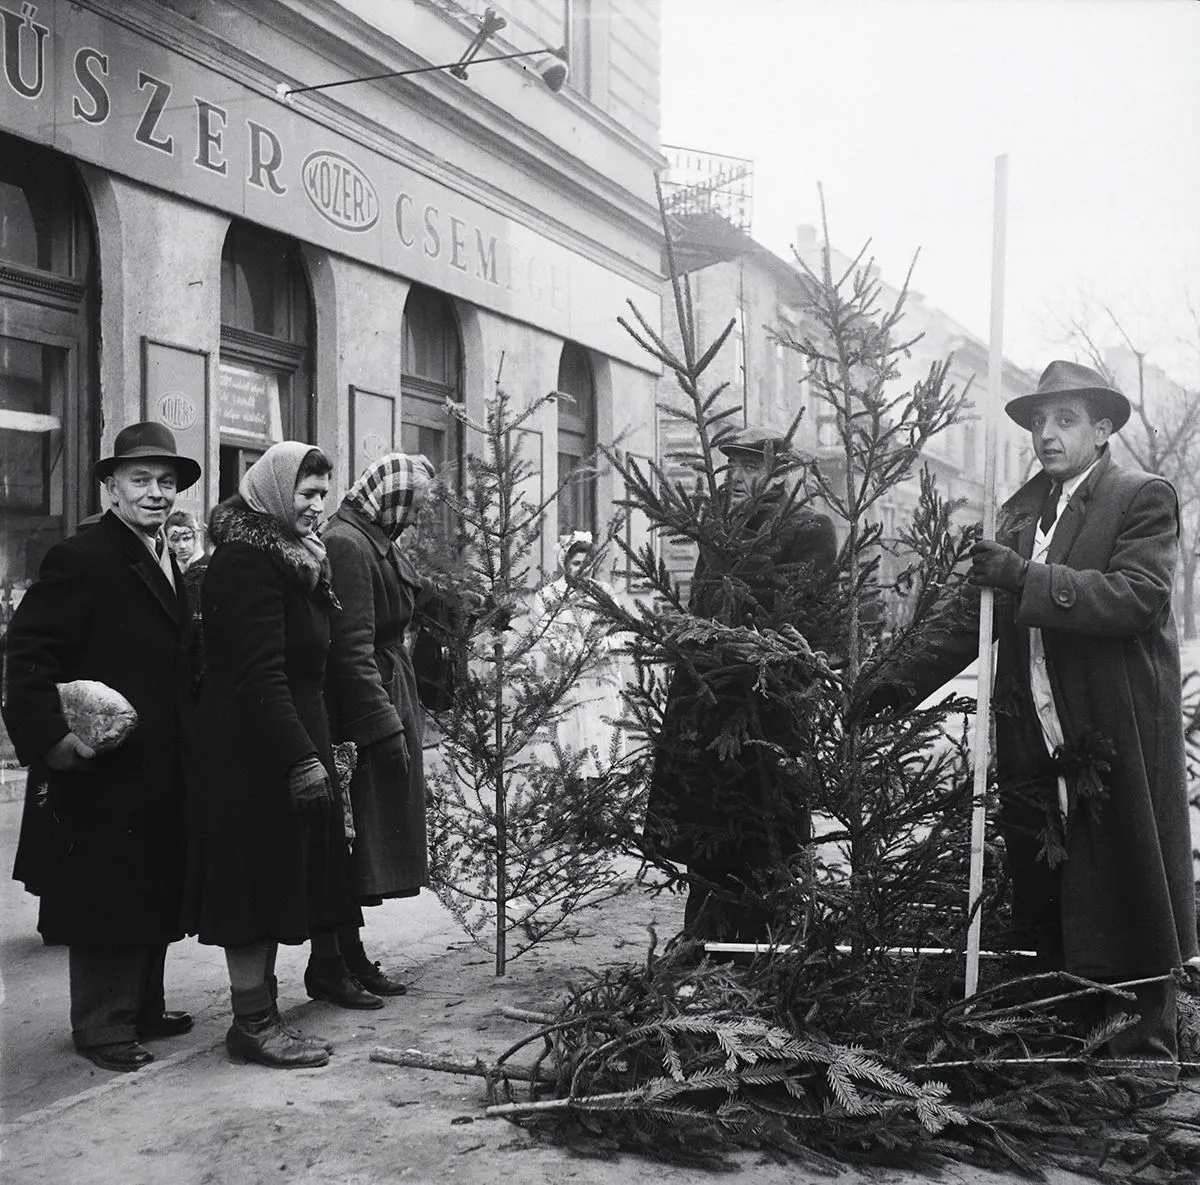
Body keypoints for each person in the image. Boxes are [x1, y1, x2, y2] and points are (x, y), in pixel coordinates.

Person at [871, 360, 1198, 1070]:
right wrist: (888, 688)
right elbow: (970, 618)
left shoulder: (1142, 498)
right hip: (1032, 733)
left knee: (1126, 878)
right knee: (1049, 881)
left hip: (1112, 732)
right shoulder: (1020, 516)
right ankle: (1067, 1038)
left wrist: (1025, 578)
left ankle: (1141, 1054)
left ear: (1104, 429)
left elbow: (1135, 596)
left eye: (1066, 419)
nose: (1047, 435)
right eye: (1038, 422)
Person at [2, 422, 201, 1072]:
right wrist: (51, 741)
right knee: (105, 893)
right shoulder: (82, 556)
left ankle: (143, 1005)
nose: (155, 493)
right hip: (103, 764)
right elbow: (29, 654)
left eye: (166, 482)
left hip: (157, 760)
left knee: (151, 885)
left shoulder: (164, 554)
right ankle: (101, 1024)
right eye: (140, 480)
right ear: (111, 486)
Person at [184, 441, 365, 1069]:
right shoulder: (247, 564)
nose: (317, 506)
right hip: (251, 751)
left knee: (274, 882)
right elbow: (258, 675)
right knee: (252, 889)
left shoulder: (295, 559)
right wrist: (300, 757)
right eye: (305, 493)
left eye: (323, 493)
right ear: (271, 491)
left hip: (283, 739)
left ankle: (262, 1015)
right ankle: (254, 1024)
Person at [644, 427, 838, 943]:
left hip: (764, 713)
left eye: (752, 467)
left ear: (779, 475)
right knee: (706, 831)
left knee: (762, 840)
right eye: (733, 465)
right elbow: (702, 610)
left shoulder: (809, 529)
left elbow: (806, 628)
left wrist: (748, 652)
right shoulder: (722, 529)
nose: (736, 477)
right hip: (708, 706)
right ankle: (703, 940)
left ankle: (761, 948)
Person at [321, 452, 439, 998]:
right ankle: (334, 964)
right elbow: (352, 650)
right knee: (351, 841)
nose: (414, 520)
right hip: (364, 710)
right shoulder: (348, 544)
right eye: (412, 508)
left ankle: (349, 957)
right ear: (390, 499)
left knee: (359, 843)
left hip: (387, 692)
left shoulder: (366, 536)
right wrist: (384, 728)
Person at [529, 531, 625, 787]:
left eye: (588, 564)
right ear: (565, 564)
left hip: (601, 686)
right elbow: (547, 640)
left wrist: (602, 646)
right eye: (576, 564)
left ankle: (598, 816)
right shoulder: (548, 597)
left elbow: (621, 634)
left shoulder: (604, 593)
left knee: (601, 755)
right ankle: (569, 820)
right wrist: (583, 654)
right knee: (568, 759)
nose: (583, 570)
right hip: (566, 686)